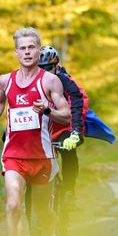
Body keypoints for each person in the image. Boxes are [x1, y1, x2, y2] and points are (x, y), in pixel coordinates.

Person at [0, 27, 71, 236]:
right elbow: (0, 100)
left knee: (43, 212)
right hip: (13, 154)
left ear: (38, 49)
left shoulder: (49, 81)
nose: (26, 52)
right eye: (22, 48)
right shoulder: (6, 80)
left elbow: (65, 114)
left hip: (42, 156)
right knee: (13, 204)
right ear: (15, 52)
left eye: (31, 47)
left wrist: (46, 109)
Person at [38, 45, 89, 208]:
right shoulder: (32, 82)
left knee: (68, 150)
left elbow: (77, 105)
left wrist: (75, 132)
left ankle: (69, 190)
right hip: (43, 130)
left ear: (55, 66)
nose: (43, 72)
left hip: (64, 128)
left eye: (46, 68)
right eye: (39, 68)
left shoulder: (65, 81)